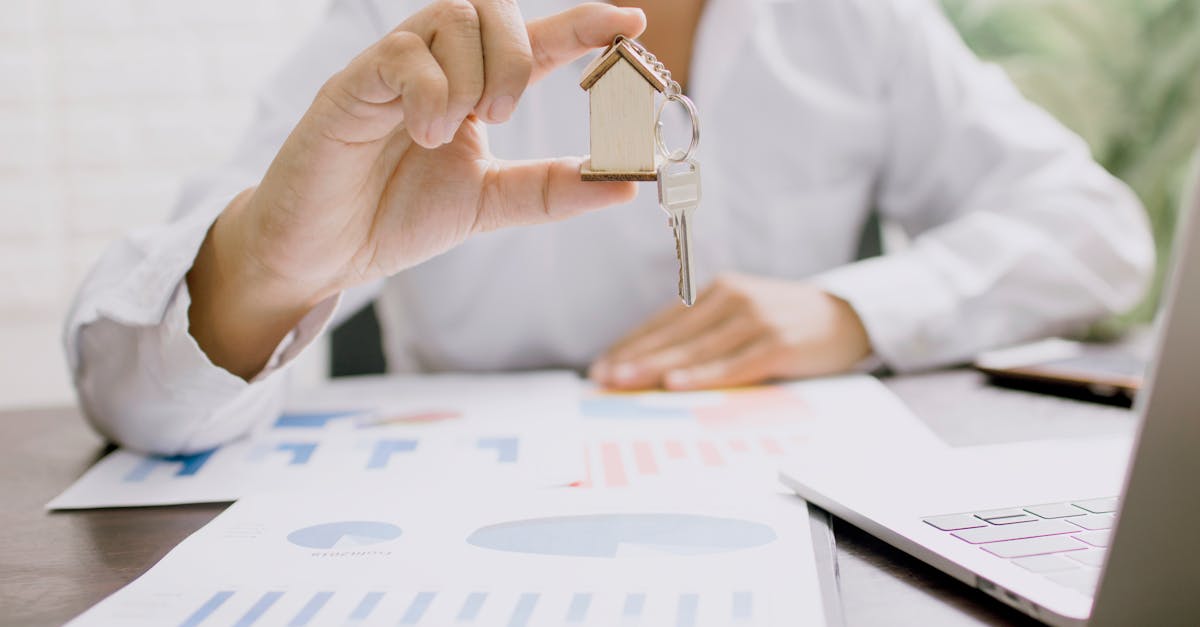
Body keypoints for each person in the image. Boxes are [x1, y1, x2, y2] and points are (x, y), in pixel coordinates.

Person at [64, 0, 1153, 455]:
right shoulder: (408, 22)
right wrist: (270, 267)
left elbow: (1098, 230)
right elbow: (127, 385)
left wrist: (854, 308)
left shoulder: (855, 16)